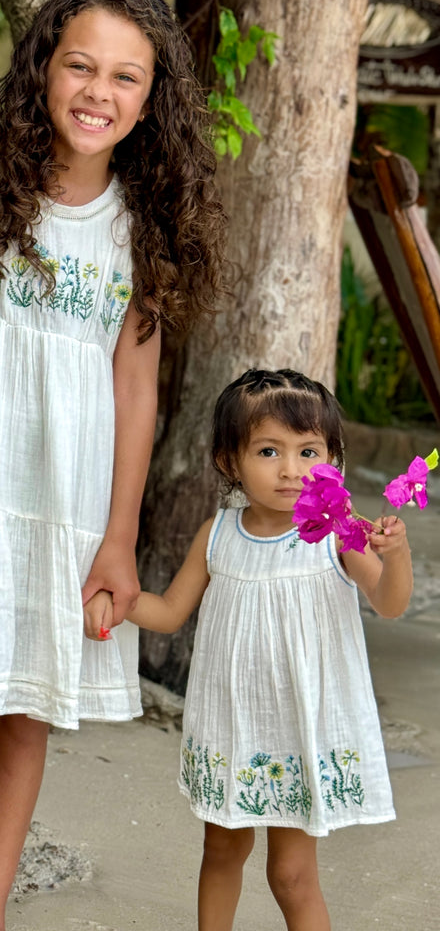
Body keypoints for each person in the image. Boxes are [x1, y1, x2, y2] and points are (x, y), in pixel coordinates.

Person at [0, 0, 226, 931]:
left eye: (126, 77)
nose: (98, 92)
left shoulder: (138, 236)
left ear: (153, 101)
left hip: (70, 510)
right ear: (42, 70)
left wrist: (118, 540)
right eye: (80, 65)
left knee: (29, 718)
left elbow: (135, 395)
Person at [85, 367, 414, 931]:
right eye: (268, 450)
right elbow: (167, 612)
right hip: (233, 727)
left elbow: (389, 602)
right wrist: (116, 601)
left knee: (290, 875)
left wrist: (398, 552)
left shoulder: (337, 533)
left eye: (310, 451)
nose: (291, 470)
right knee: (222, 851)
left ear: (332, 460)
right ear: (228, 461)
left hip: (298, 728)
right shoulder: (218, 533)